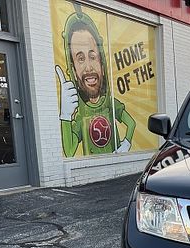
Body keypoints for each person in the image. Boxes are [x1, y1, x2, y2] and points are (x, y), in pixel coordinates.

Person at [55, 9, 135, 156]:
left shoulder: (110, 104)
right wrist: (65, 116)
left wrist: (127, 142)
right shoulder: (81, 115)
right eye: (80, 59)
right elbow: (69, 151)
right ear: (72, 69)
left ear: (102, 63)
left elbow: (131, 123)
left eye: (93, 56)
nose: (89, 67)